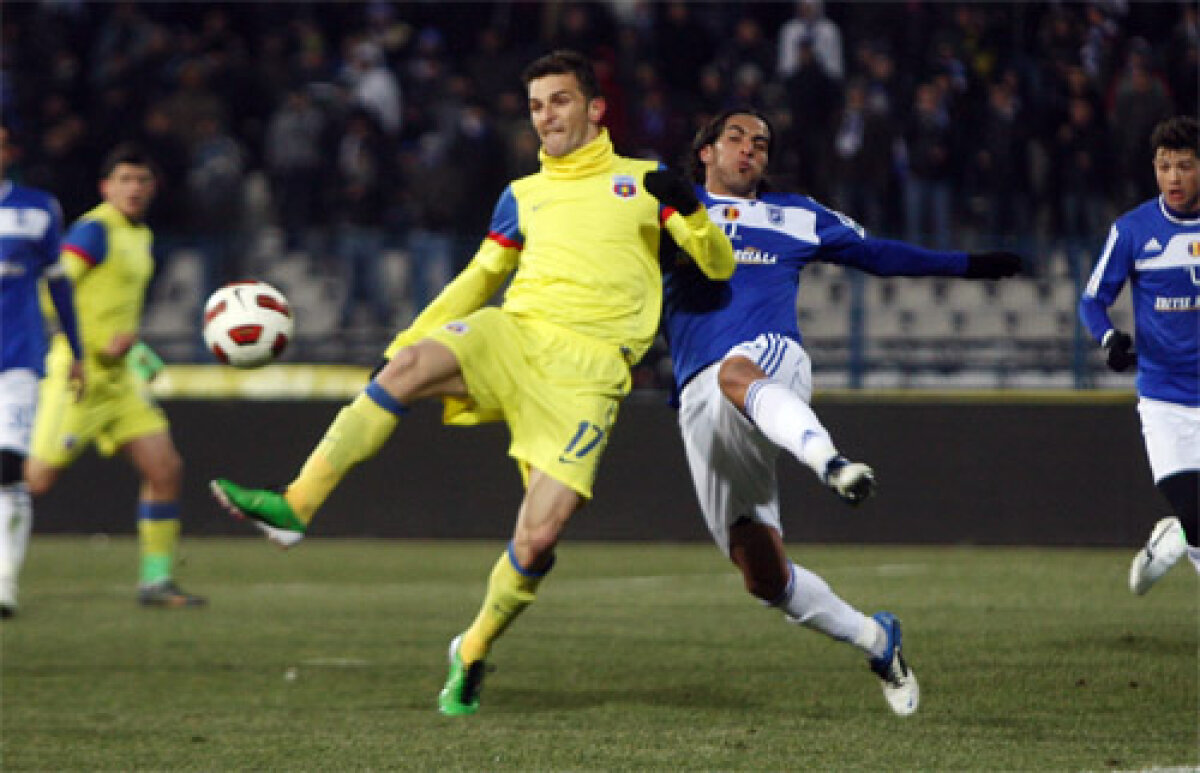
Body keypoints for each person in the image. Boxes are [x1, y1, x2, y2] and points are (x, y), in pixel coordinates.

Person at [210, 50, 734, 715]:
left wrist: (692, 213)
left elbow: (717, 267)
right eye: (536, 105)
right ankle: (296, 505)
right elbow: (481, 277)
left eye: (560, 100)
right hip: (513, 334)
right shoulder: (522, 194)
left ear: (596, 108)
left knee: (538, 539)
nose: (546, 116)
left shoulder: (645, 182)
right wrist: (401, 344)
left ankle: (473, 648)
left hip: (590, 373)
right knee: (407, 368)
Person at [661, 109, 1023, 716]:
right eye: (736, 138)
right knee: (763, 578)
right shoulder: (671, 212)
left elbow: (877, 253)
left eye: (761, 144)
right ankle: (878, 641)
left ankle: (831, 463)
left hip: (771, 361)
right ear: (705, 151)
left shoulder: (797, 214)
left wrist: (968, 265)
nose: (750, 150)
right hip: (702, 402)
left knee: (736, 370)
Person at [25, 143, 205, 608]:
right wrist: (85, 343)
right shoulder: (94, 231)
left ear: (154, 187)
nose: (134, 188)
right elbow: (49, 290)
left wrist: (133, 348)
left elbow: (114, 308)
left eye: (142, 180)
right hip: (79, 375)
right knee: (33, 480)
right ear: (106, 187)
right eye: (125, 179)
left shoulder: (139, 235)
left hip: (120, 379)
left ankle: (156, 582)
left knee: (165, 469)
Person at [1079, 115, 1200, 595]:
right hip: (1165, 400)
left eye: (1185, 166)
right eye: (1164, 166)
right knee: (1196, 512)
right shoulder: (1132, 230)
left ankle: (1177, 533)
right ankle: (1181, 527)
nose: (1173, 177)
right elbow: (1092, 300)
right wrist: (1109, 338)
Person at [0, 126, 85, 618]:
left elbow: (60, 285)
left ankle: (5, 582)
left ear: (10, 152)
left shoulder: (37, 209)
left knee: (7, 468)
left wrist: (76, 350)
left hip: (17, 360)